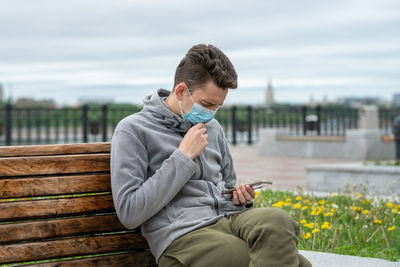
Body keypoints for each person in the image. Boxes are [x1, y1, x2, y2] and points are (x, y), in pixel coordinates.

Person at [110, 44, 312, 267]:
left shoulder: (213, 127)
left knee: (277, 220)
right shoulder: (134, 130)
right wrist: (183, 157)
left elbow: (227, 185)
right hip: (183, 235)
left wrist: (239, 197)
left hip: (227, 219)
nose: (211, 114)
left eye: (218, 106)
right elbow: (129, 212)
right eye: (207, 104)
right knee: (296, 264)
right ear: (180, 92)